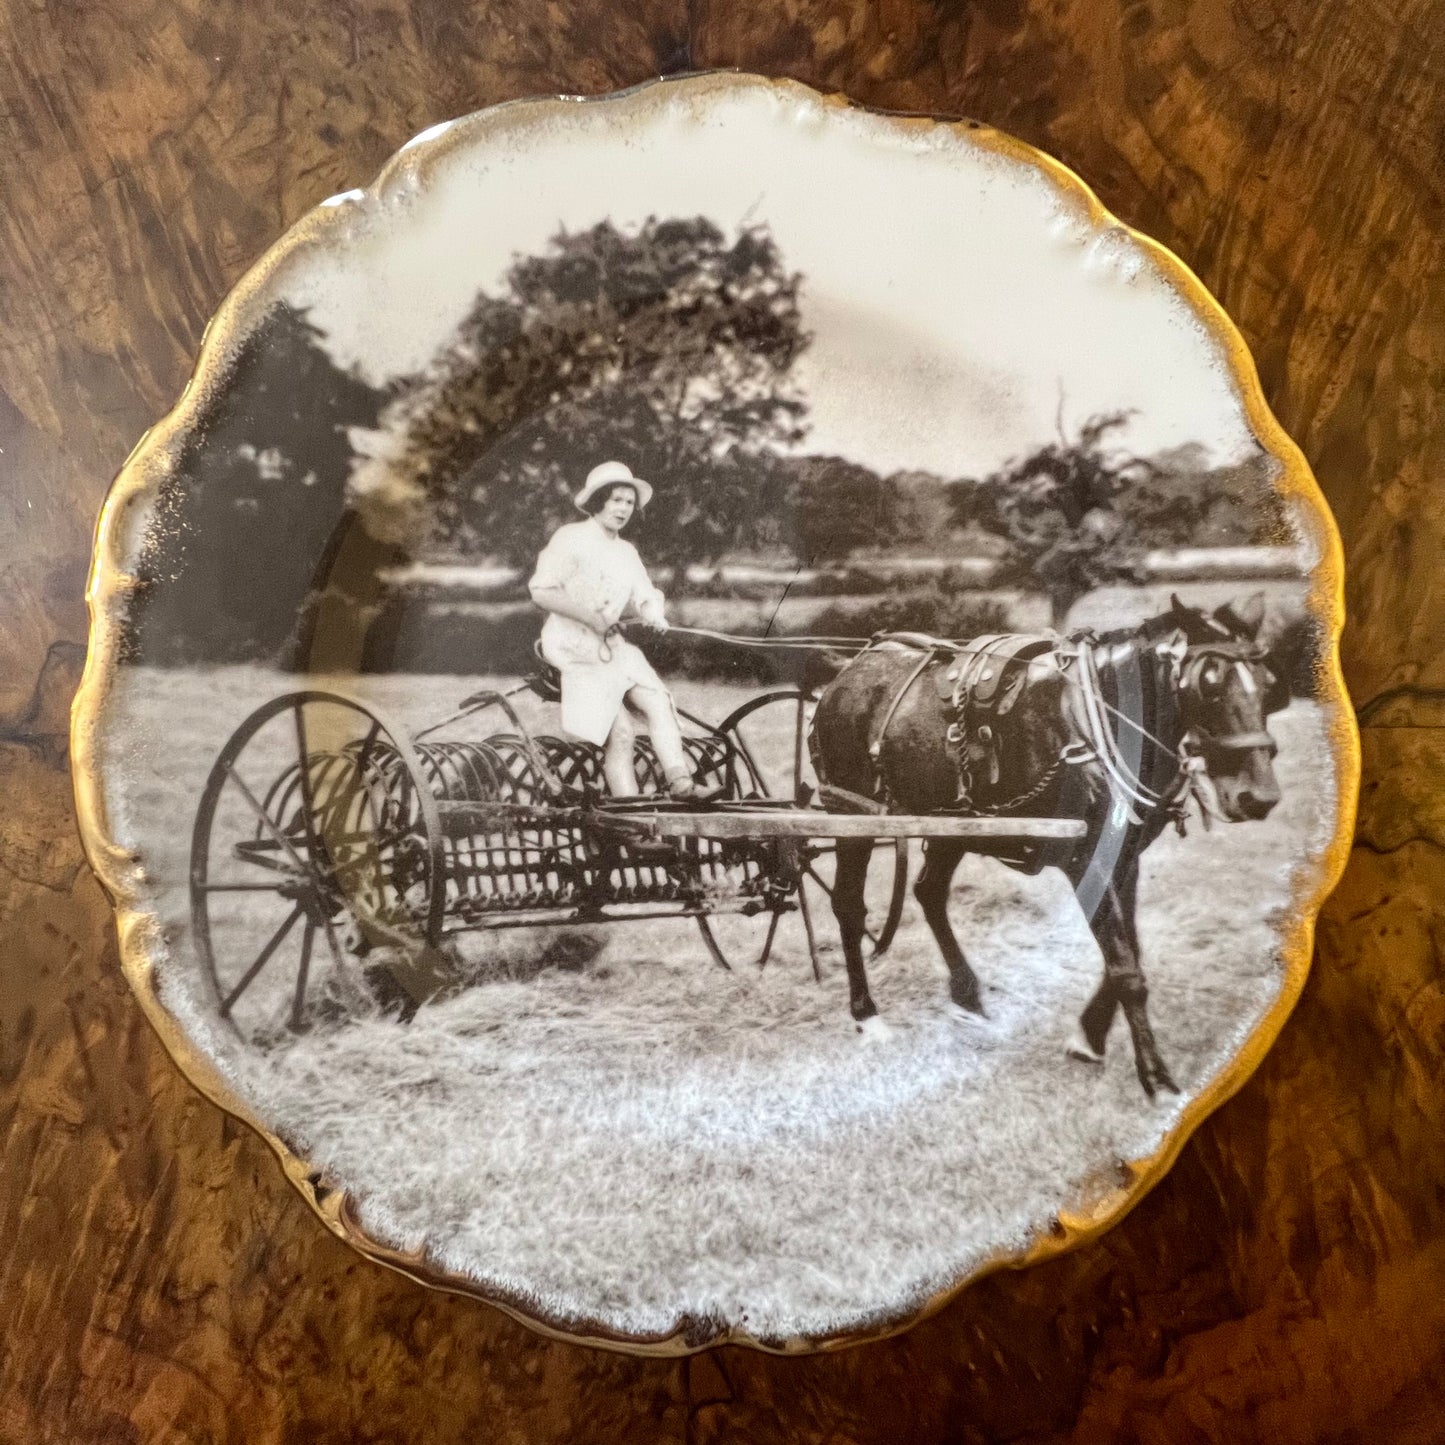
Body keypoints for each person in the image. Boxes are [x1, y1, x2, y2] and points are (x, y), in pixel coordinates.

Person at [528, 461, 705, 799]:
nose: (623, 508)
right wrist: (591, 618)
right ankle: (631, 812)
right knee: (621, 733)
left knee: (658, 704)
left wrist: (654, 614)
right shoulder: (571, 539)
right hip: (572, 647)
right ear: (598, 502)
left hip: (613, 648)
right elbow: (542, 591)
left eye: (628, 502)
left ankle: (681, 782)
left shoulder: (626, 551)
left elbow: (644, 594)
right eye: (616, 500)